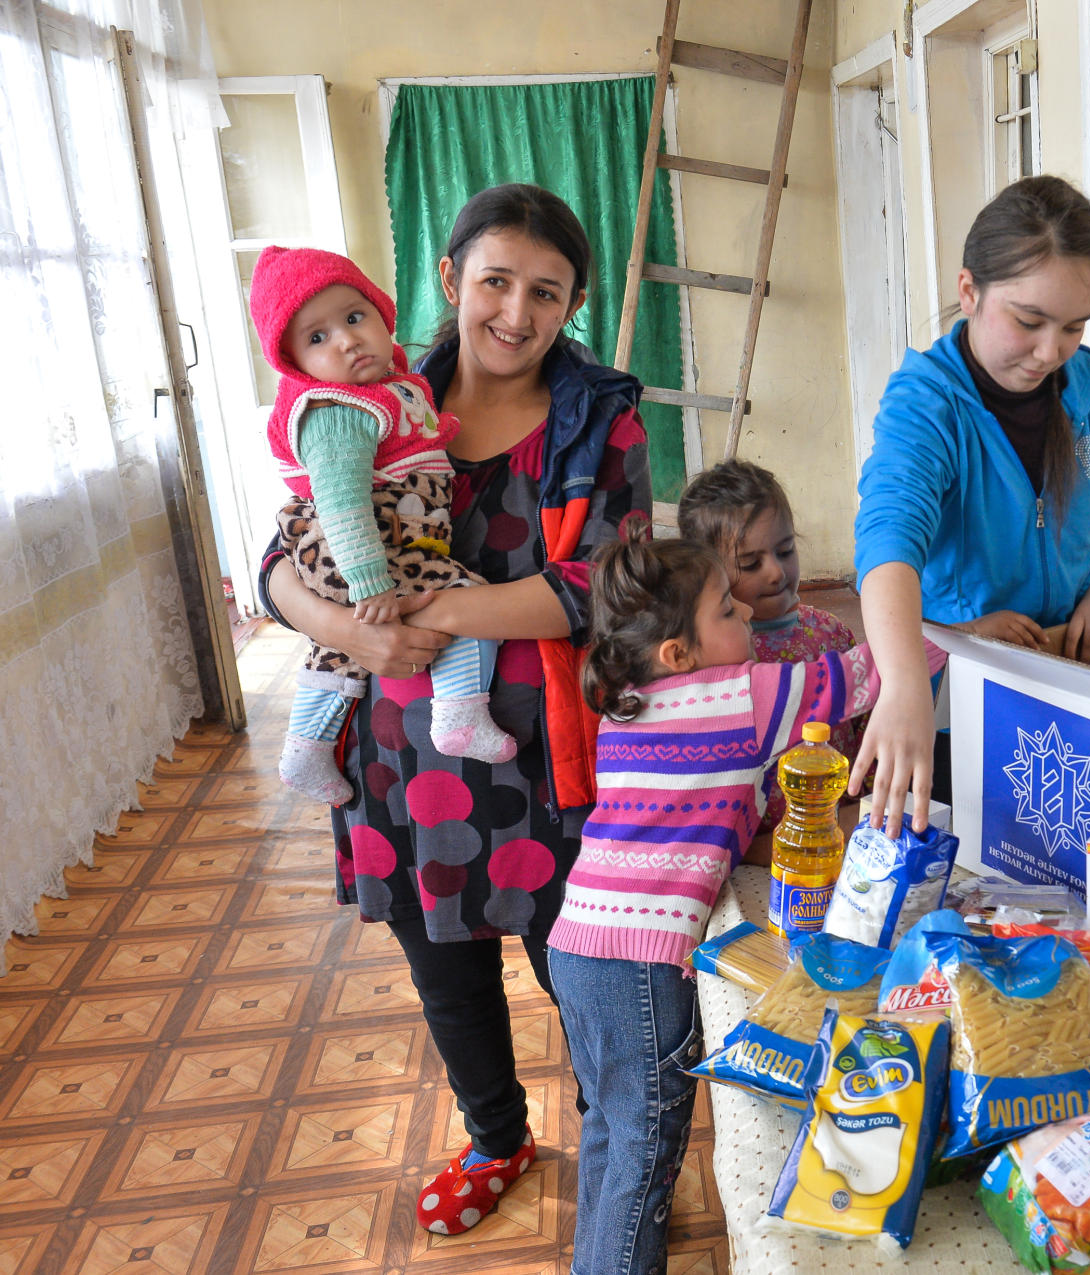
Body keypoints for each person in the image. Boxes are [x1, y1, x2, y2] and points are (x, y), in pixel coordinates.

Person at [257, 184, 653, 1236]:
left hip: (545, 762)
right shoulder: (365, 389)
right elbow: (281, 559)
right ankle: (496, 1135)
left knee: (576, 968)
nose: (516, 314)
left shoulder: (598, 420)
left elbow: (603, 588)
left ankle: (613, 1132)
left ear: (573, 304)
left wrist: (435, 608)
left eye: (546, 292)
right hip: (401, 764)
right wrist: (354, 635)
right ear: (448, 280)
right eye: (494, 282)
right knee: (446, 969)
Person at [548, 526, 945, 1275]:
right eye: (727, 611)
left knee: (608, 1131)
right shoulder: (737, 696)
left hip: (575, 945)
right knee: (646, 1156)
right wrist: (962, 634)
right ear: (679, 653)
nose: (749, 620)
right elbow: (867, 675)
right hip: (640, 963)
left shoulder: (626, 706)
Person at [849, 175, 1090, 833]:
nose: (1052, 352)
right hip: (955, 688)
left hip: (1065, 666)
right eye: (1028, 321)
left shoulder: (1089, 389)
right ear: (970, 292)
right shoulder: (926, 407)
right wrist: (905, 682)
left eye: (1075, 326)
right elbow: (888, 541)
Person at [248, 246, 516, 806]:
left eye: (354, 317)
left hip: (371, 544)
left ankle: (304, 749)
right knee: (466, 596)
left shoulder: (390, 386)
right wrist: (372, 584)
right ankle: (460, 714)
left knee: (340, 650)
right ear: (292, 360)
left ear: (380, 311)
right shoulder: (339, 411)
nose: (346, 340)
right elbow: (343, 502)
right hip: (362, 549)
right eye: (317, 338)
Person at [677, 458, 862, 829]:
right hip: (746, 846)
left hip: (836, 831)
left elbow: (864, 729)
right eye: (750, 563)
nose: (776, 572)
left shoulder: (831, 633)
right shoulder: (711, 659)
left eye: (786, 550)